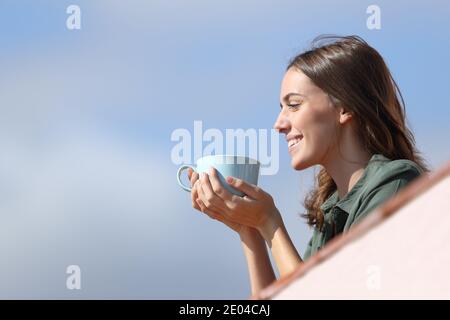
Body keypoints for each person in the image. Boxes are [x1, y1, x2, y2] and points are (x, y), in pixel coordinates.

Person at [186, 35, 428, 295]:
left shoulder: (395, 183)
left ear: (344, 107)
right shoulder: (330, 215)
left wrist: (270, 223)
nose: (279, 124)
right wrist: (250, 229)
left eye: (294, 105)